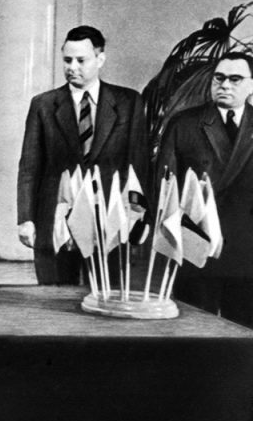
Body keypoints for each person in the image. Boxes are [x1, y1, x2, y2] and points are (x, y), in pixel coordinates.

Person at [17, 26, 147, 284]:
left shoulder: (129, 102)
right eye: (67, 60)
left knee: (106, 295)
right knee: (54, 295)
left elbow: (138, 165)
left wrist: (140, 215)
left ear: (100, 59)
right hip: (56, 217)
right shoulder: (43, 105)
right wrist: (26, 219)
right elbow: (30, 167)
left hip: (110, 217)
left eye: (81, 60)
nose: (72, 67)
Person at [159, 52, 253, 327]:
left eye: (235, 79)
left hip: (247, 250)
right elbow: (165, 189)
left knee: (244, 335)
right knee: (194, 331)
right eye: (219, 78)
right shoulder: (184, 124)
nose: (225, 85)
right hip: (196, 246)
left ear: (252, 85)